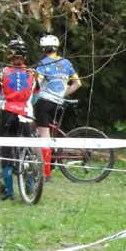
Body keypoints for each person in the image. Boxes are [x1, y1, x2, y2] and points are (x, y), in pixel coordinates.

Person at [34, 34, 81, 181]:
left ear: (43, 49)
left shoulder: (43, 64)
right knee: (43, 130)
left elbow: (37, 84)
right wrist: (62, 95)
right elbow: (77, 83)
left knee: (44, 137)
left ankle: (46, 173)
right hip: (58, 103)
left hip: (43, 102)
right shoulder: (66, 63)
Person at [0, 38, 39, 200]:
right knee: (27, 150)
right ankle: (29, 186)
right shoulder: (32, 74)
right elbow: (36, 96)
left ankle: (9, 191)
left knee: (7, 152)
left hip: (8, 114)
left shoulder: (2, 72)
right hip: (26, 114)